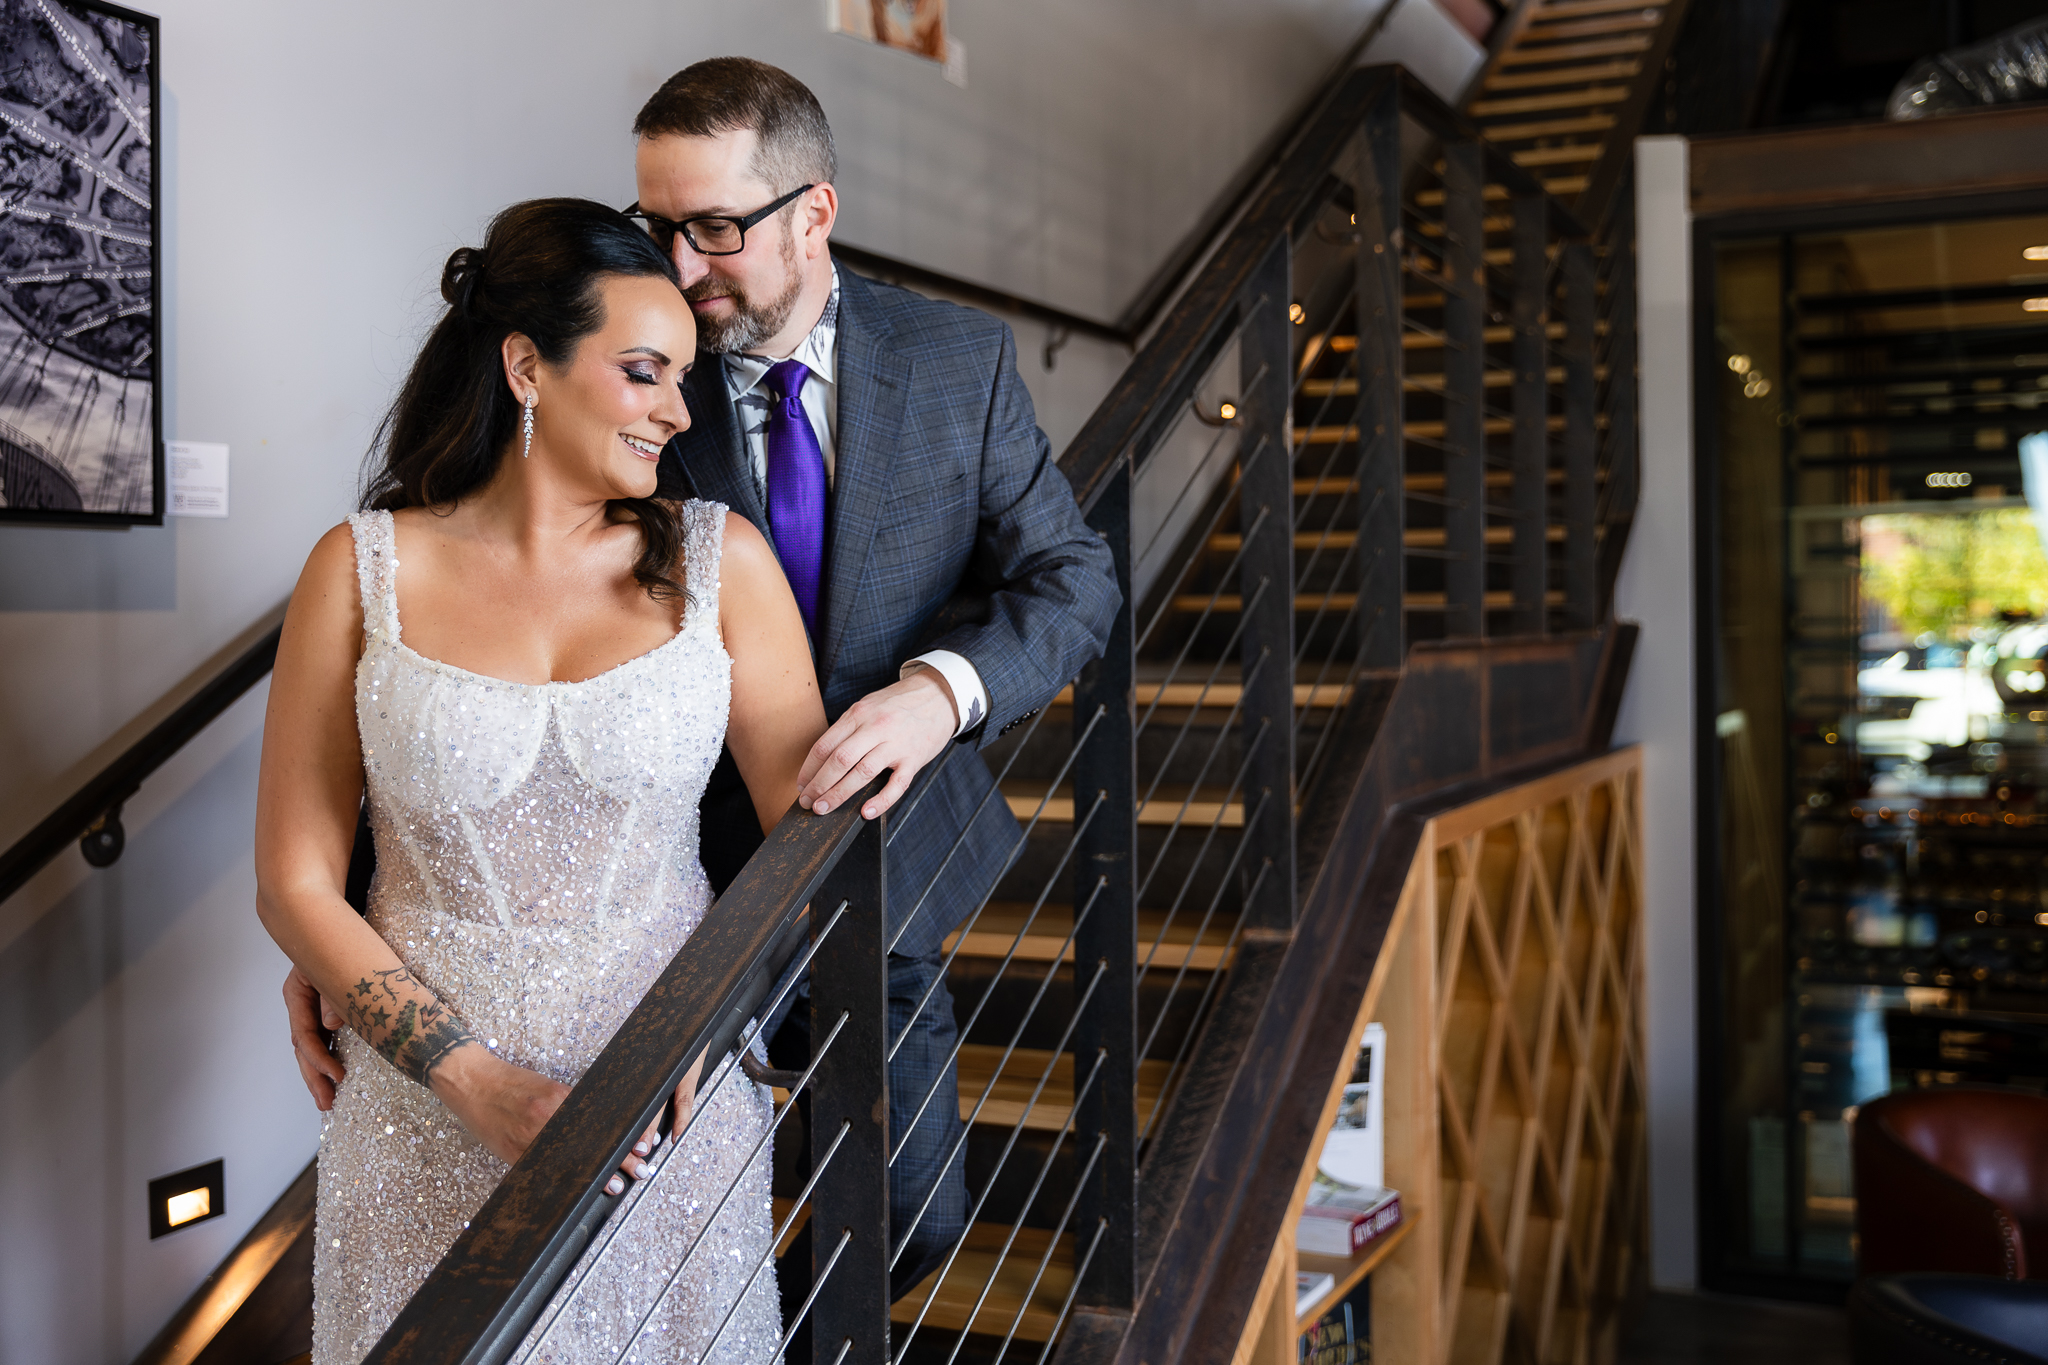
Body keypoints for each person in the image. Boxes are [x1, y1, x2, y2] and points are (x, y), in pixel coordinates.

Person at [255, 198, 822, 1365]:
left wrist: (698, 1035)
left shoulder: (727, 565)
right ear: (527, 367)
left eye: (682, 376)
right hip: (422, 1107)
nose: (678, 406)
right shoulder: (359, 569)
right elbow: (295, 880)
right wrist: (470, 1080)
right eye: (642, 371)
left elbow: (804, 858)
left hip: (669, 1094)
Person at [630, 57, 1120, 1308]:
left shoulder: (959, 360)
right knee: (639, 1234)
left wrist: (943, 690)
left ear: (815, 212)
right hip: (652, 883)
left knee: (910, 1215)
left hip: (877, 871)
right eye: (657, 226)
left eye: (716, 228)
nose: (681, 268)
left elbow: (1072, 580)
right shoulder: (626, 363)